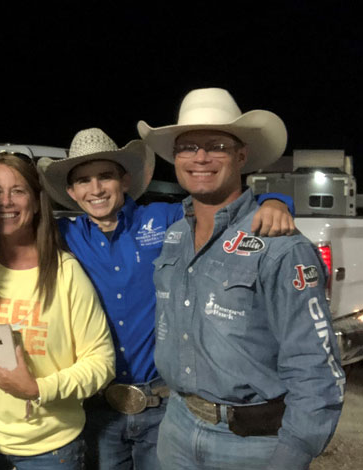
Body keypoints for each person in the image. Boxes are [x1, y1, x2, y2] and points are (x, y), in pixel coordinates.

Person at [38, 128, 296, 469]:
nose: (96, 189)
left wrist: (275, 201)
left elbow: (223, 204)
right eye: (83, 181)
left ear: (125, 180)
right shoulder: (64, 235)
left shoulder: (161, 218)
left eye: (105, 177)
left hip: (163, 409)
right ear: (71, 192)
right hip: (98, 407)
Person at [137, 87, 345, 469]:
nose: (200, 157)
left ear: (241, 155)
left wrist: (293, 453)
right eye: (187, 147)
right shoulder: (174, 235)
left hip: (252, 445)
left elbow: (315, 367)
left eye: (216, 145)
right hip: (177, 428)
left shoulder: (281, 246)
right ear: (175, 158)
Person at [0, 152, 116, 470]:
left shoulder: (65, 273)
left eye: (18, 191)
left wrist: (38, 389)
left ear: (38, 201)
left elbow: (101, 362)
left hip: (51, 450)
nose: (5, 202)